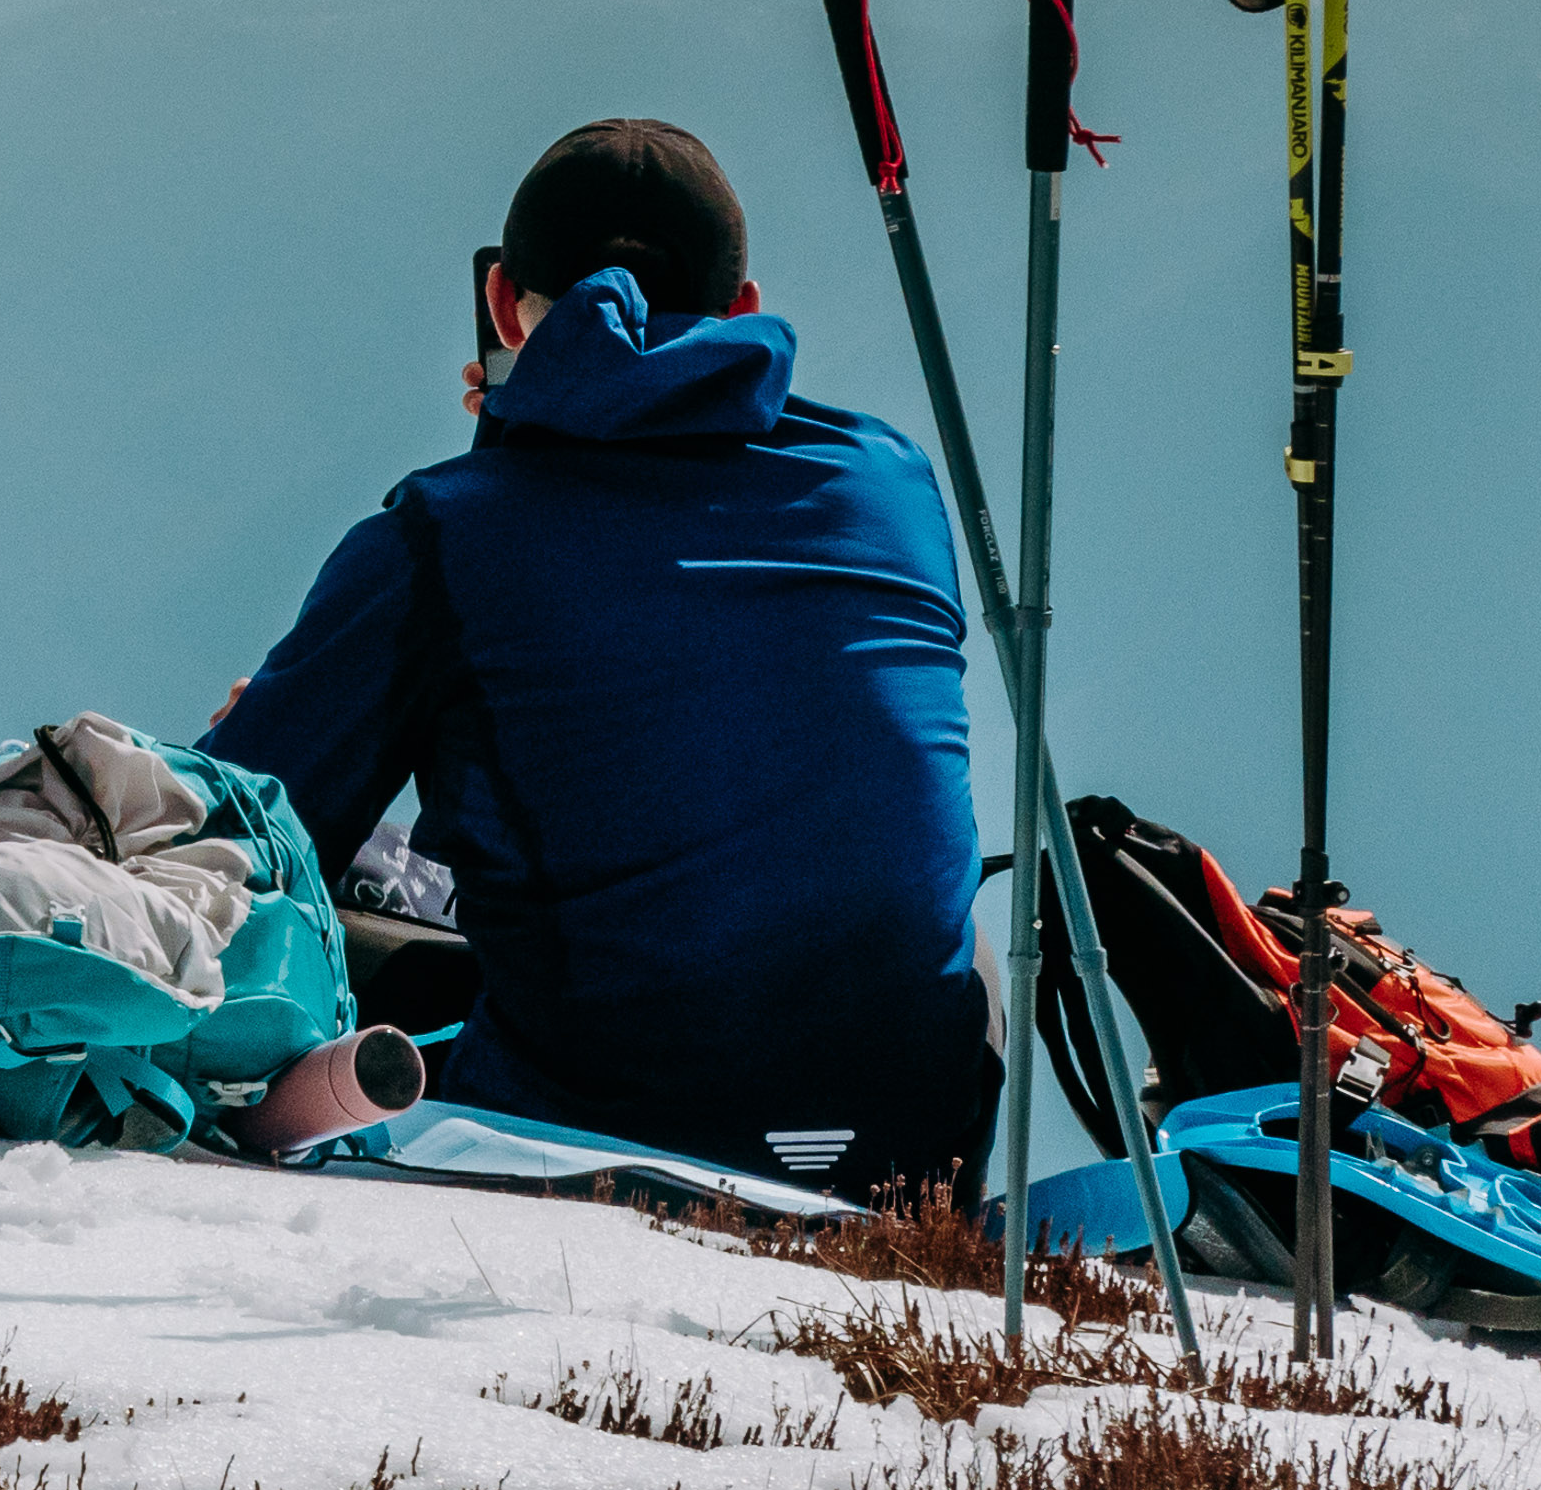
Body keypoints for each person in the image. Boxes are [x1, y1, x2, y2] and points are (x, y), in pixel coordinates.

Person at [202, 119, 999, 1194]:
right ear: (743, 309)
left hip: (596, 1137)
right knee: (942, 931)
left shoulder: (444, 532)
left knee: (340, 920)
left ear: (501, 305)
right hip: (910, 1153)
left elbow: (232, 847)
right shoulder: (891, 480)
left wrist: (511, 449)